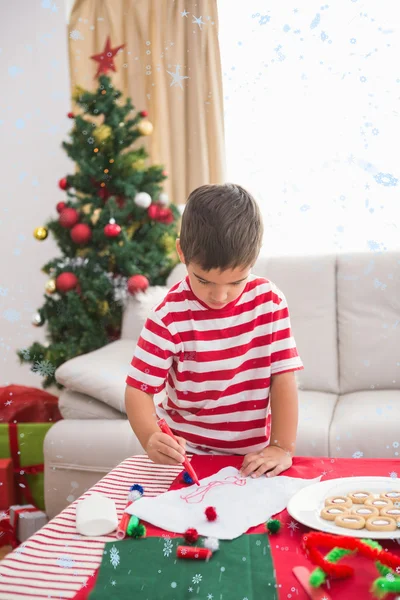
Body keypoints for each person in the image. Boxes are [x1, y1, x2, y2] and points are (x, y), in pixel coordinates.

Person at [125, 183, 303, 478]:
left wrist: (281, 448)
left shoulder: (269, 302)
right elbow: (138, 390)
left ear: (254, 260)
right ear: (182, 252)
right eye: (204, 281)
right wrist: (150, 436)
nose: (220, 296)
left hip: (252, 459)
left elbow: (282, 378)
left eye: (236, 282)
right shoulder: (167, 317)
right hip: (186, 459)